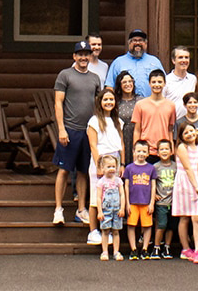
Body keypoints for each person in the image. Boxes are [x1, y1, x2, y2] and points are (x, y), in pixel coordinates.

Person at [52, 41, 102, 226]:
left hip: (88, 131)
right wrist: (61, 129)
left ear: (90, 56)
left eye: (86, 54)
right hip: (70, 129)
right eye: (79, 54)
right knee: (64, 169)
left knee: (83, 171)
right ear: (74, 56)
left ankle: (81, 209)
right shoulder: (65, 75)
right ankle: (58, 209)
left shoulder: (95, 78)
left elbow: (98, 104)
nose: (83, 58)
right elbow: (58, 103)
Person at [84, 89, 124, 246]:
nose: (109, 102)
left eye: (112, 100)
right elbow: (93, 145)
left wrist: (122, 164)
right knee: (97, 195)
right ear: (100, 102)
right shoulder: (94, 121)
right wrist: (98, 165)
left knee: (112, 194)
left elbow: (121, 145)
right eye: (106, 99)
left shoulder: (117, 121)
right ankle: (93, 231)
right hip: (100, 160)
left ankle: (110, 229)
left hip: (115, 160)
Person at [173, 123, 198, 264]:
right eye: (185, 132)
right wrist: (196, 187)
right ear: (181, 136)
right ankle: (185, 248)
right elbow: (188, 168)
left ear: (197, 132)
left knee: (197, 217)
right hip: (184, 183)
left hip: (197, 182)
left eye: (191, 131)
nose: (189, 134)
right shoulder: (182, 147)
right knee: (184, 217)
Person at [105, 29, 166, 98]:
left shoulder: (155, 61)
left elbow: (165, 84)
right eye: (134, 40)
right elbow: (110, 86)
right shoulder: (118, 62)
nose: (137, 43)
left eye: (141, 40)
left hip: (150, 105)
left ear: (146, 44)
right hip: (125, 105)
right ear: (129, 43)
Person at [123, 141, 157, 259]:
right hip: (132, 202)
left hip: (146, 202)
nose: (141, 154)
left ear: (148, 153)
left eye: (144, 151)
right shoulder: (129, 168)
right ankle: (133, 249)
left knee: (147, 226)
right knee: (131, 225)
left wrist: (152, 202)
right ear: (133, 152)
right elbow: (126, 186)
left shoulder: (151, 168)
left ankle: (145, 248)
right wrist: (127, 203)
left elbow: (153, 186)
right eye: (138, 151)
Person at [131, 72, 178, 155]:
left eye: (160, 82)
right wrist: (135, 149)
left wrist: (171, 148)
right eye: (153, 82)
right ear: (149, 84)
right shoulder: (140, 105)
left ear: (164, 83)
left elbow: (170, 130)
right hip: (145, 150)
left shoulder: (171, 105)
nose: (157, 85)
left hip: (164, 150)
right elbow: (137, 130)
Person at [94, 154, 127, 261]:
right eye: (109, 167)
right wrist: (99, 211)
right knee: (105, 230)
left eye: (113, 166)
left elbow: (122, 194)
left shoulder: (118, 181)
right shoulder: (101, 182)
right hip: (106, 210)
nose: (112, 169)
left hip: (116, 209)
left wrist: (122, 208)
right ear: (102, 168)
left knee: (116, 231)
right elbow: (98, 198)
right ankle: (105, 251)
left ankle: (116, 251)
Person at [151, 139, 178, 259]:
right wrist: (153, 195)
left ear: (172, 151)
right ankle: (156, 247)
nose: (164, 151)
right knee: (161, 224)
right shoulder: (155, 167)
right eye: (161, 149)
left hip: (174, 201)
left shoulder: (176, 166)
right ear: (157, 152)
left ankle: (167, 246)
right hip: (161, 201)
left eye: (167, 149)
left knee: (171, 226)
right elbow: (151, 183)